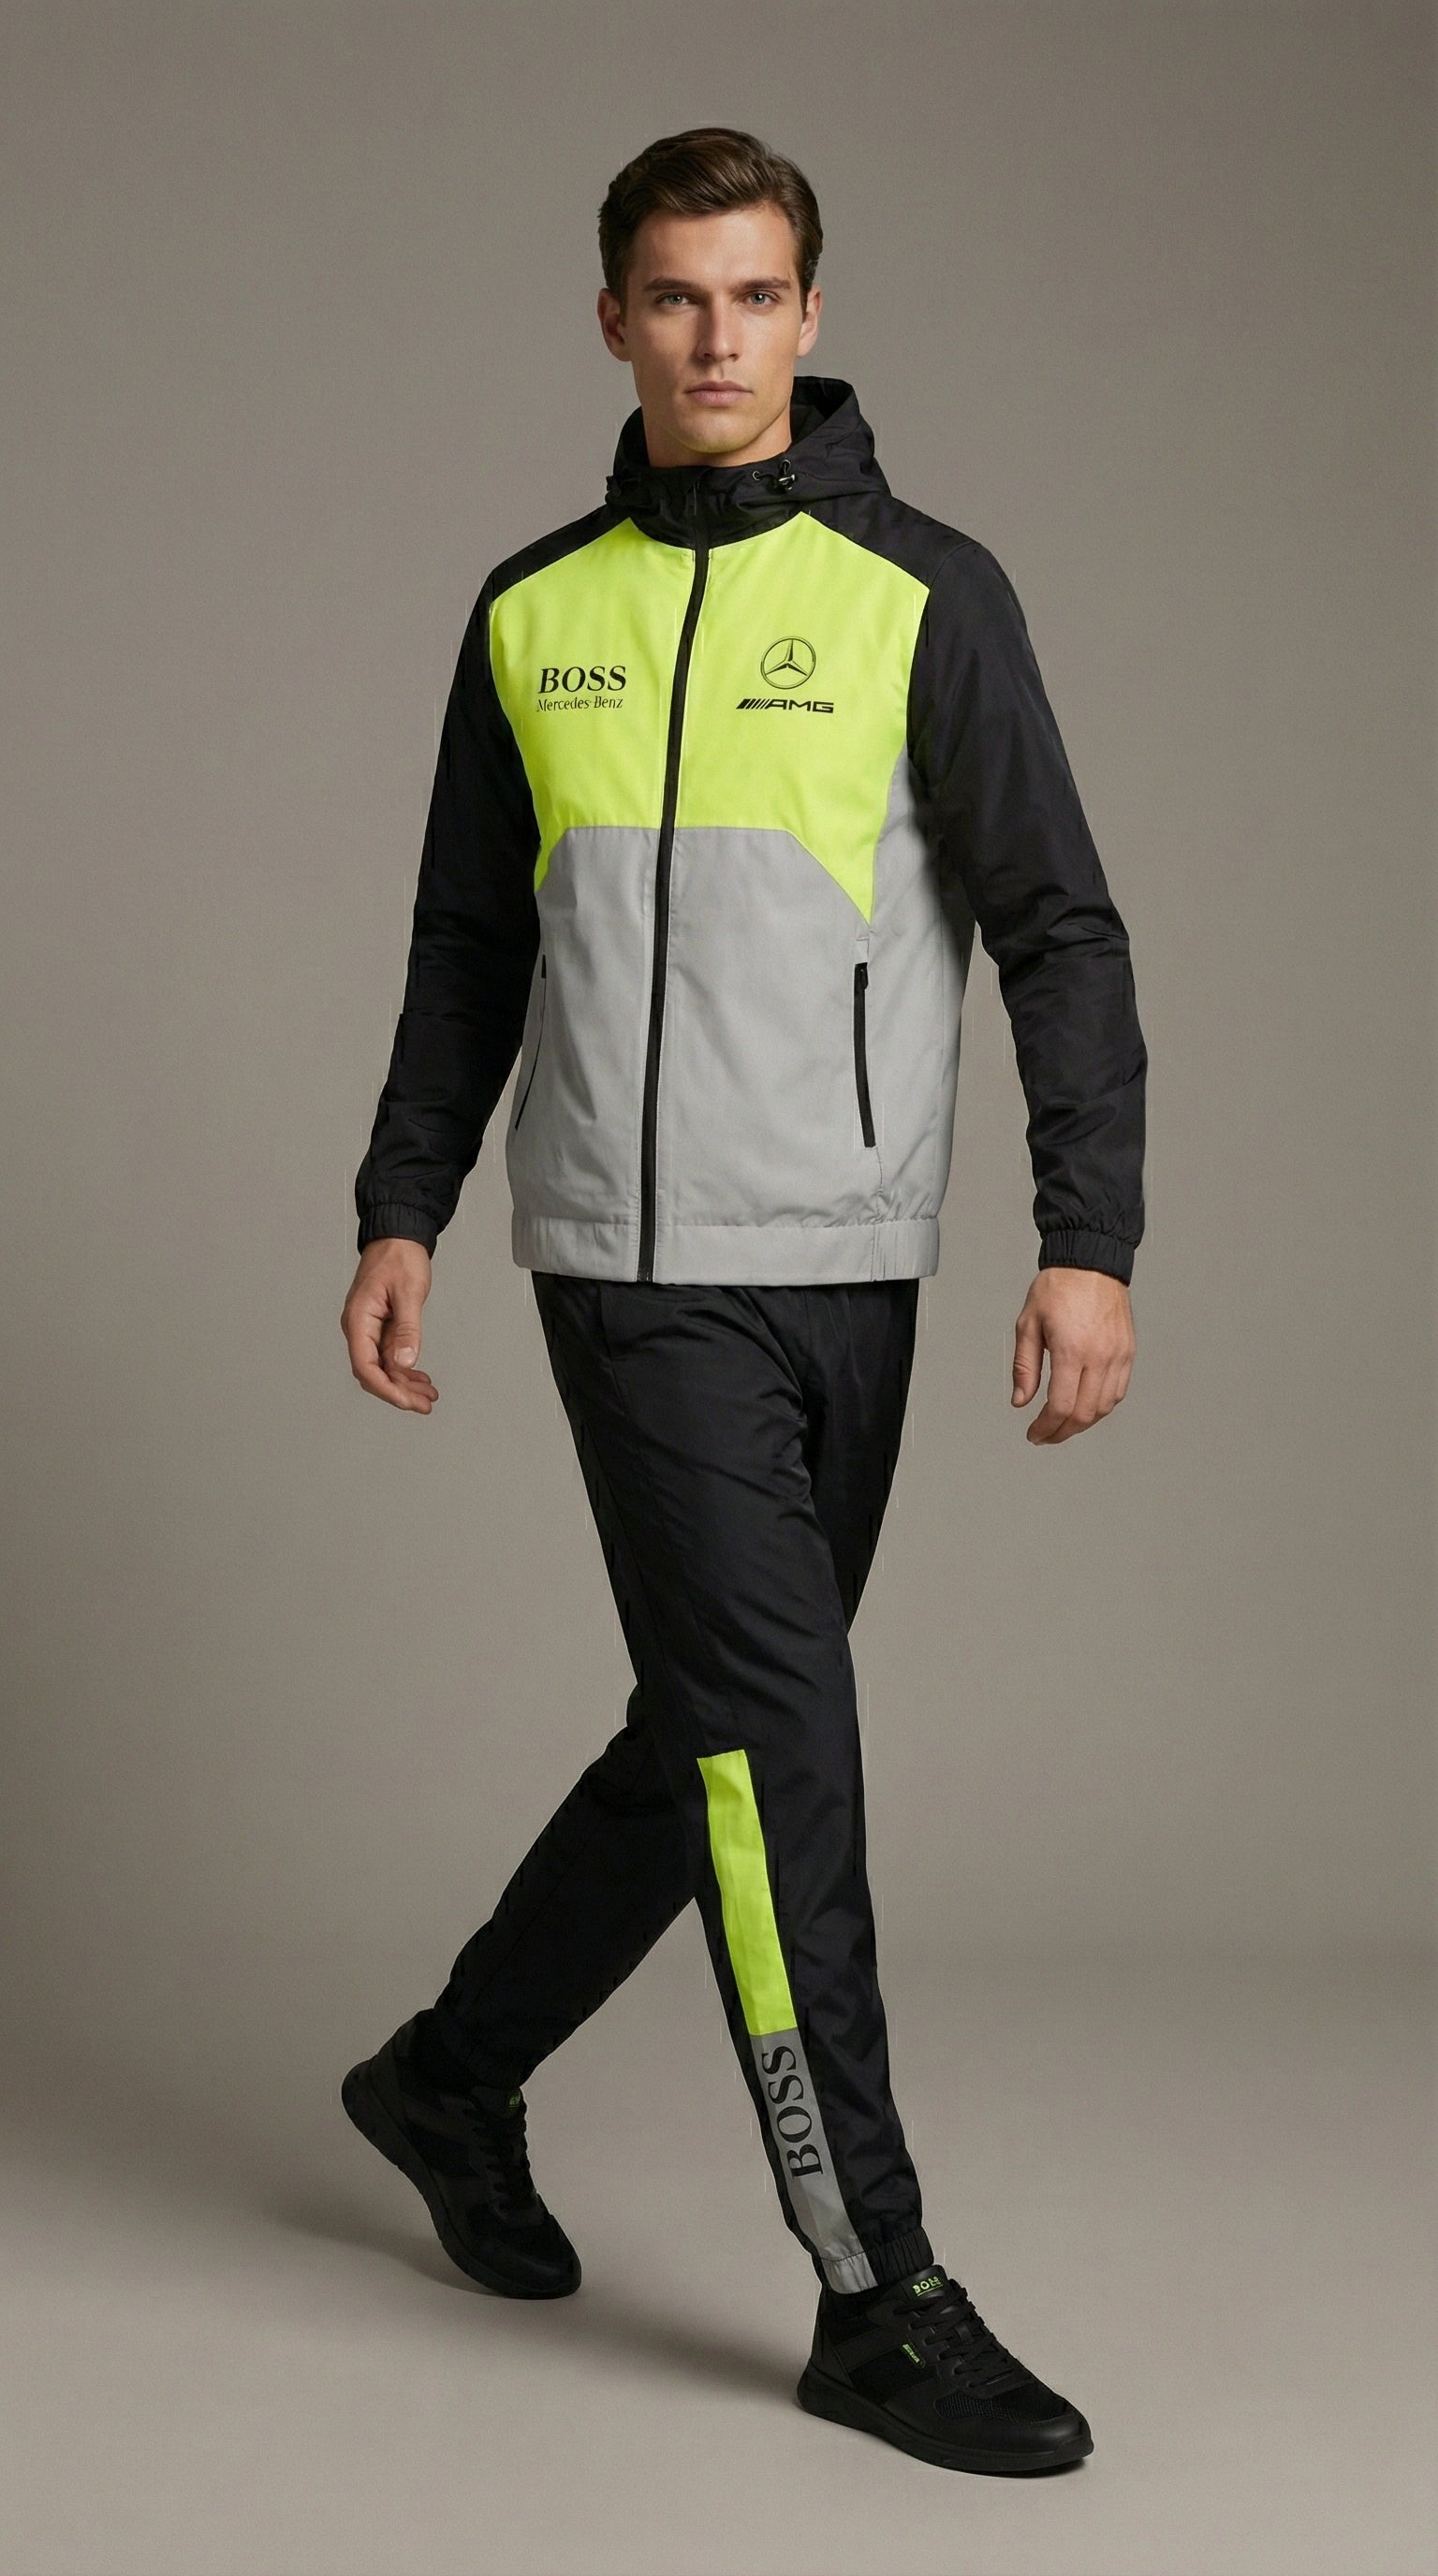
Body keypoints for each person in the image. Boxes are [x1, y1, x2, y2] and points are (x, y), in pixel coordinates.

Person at [339, 125, 1145, 2479]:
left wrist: (1086, 1233)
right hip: (629, 1275)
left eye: (756, 293)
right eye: (676, 297)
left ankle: (450, 2073)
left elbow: (1060, 923)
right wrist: (402, 1201)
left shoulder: (924, 594)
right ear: (612, 319)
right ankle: (875, 2286)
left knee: (712, 1728)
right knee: (780, 1752)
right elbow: (468, 941)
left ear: (811, 311)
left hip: (850, 1266)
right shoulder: (532, 610)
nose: (717, 337)